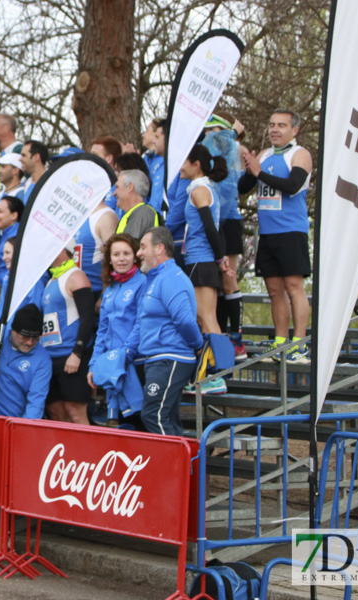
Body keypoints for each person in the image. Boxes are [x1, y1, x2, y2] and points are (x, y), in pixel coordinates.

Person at [239, 109, 313, 364]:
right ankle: (280, 343)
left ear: (294, 130)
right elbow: (243, 188)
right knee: (273, 290)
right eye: (271, 124)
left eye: (281, 125)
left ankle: (299, 344)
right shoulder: (265, 155)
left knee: (294, 287)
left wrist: (260, 173)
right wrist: (246, 167)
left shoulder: (299, 154)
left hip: (291, 230)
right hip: (268, 233)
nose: (274, 129)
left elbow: (292, 186)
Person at [127, 228, 203, 436]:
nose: (138, 253)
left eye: (143, 247)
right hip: (158, 359)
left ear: (160, 248)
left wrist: (198, 346)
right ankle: (183, 466)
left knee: (153, 416)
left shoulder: (171, 278)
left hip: (170, 357)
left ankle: (170, 467)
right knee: (167, 418)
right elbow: (143, 322)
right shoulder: (155, 279)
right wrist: (127, 351)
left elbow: (185, 320)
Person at [179, 145, 232, 397]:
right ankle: (210, 374)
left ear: (196, 164)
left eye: (183, 162)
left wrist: (220, 258)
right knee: (203, 318)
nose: (180, 167)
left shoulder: (200, 190)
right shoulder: (202, 188)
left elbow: (211, 229)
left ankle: (217, 376)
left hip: (201, 260)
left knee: (207, 318)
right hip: (200, 260)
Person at [87, 234, 148, 429]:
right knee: (122, 425)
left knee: (139, 421)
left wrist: (126, 354)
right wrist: (94, 363)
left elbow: (141, 323)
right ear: (109, 259)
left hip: (135, 364)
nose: (121, 258)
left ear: (135, 256)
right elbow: (102, 330)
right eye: (116, 254)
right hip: (113, 365)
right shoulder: (110, 289)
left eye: (126, 253)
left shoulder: (143, 283)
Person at [202, 114, 247, 359]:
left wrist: (232, 133)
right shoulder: (210, 150)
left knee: (229, 280)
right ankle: (218, 338)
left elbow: (232, 183)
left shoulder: (231, 146)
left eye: (215, 131)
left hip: (228, 220)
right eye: (207, 132)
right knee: (215, 285)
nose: (211, 137)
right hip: (211, 220)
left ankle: (237, 339)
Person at [41, 245, 96, 424]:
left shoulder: (75, 276)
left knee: (75, 411)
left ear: (61, 250)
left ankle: (88, 452)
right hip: (50, 357)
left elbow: (88, 317)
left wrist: (77, 353)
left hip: (71, 356)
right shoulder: (51, 280)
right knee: (56, 413)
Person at [0, 304, 51, 419]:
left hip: (14, 422)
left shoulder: (43, 359)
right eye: (24, 337)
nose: (29, 342)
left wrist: (22, 428)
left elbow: (36, 401)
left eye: (35, 338)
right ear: (13, 330)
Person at [71, 197, 119, 294]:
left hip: (94, 291)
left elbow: (111, 257)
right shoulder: (77, 214)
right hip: (73, 290)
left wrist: (104, 293)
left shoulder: (106, 216)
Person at [0, 196, 22, 283]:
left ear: (14, 215)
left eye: (0, 211)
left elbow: (5, 274)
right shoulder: (0, 233)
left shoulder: (18, 237)